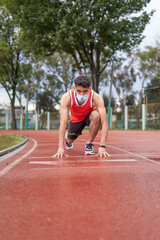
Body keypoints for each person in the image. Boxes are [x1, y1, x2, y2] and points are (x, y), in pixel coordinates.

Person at [53, 75, 109, 158]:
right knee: (69, 141)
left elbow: (104, 123)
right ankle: (67, 137)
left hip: (90, 116)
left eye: (85, 91)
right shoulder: (66, 97)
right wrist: (61, 147)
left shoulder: (96, 97)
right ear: (74, 88)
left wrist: (102, 146)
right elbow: (63, 122)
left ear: (90, 89)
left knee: (96, 115)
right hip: (76, 119)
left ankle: (89, 144)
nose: (82, 94)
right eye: (79, 91)